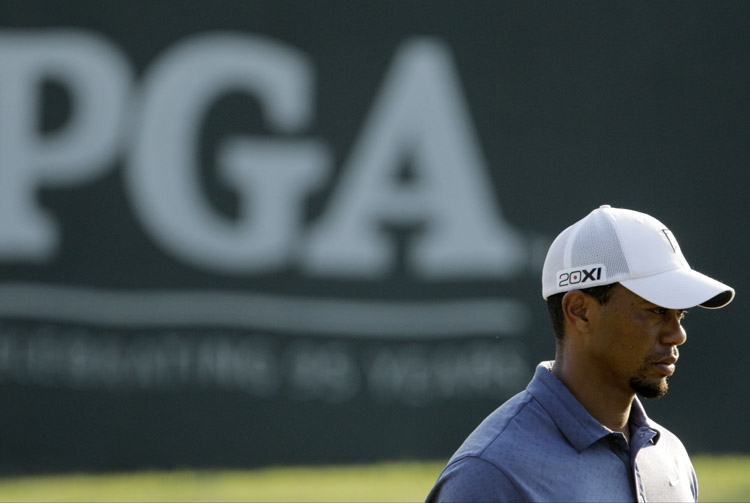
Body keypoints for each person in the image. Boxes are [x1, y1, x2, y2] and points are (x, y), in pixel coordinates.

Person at [426, 205, 735, 503]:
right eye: (655, 310)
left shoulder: (670, 458)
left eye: (680, 314)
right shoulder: (491, 475)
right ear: (580, 311)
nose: (677, 334)